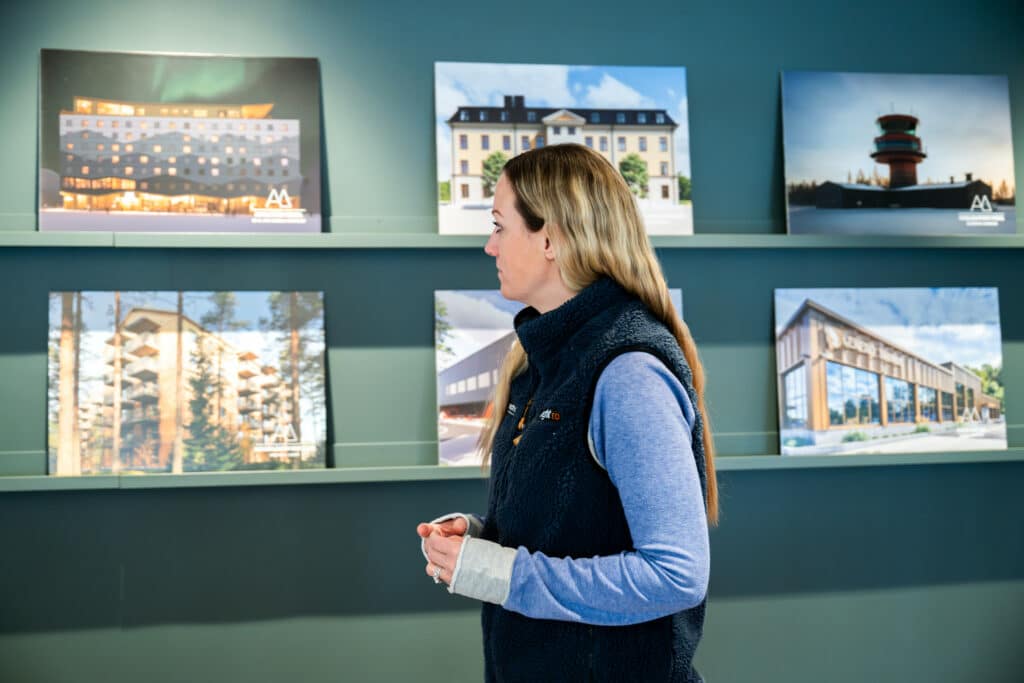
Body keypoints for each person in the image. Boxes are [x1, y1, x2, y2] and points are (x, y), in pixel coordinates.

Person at [417, 143, 718, 682]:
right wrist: (486, 538)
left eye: (499, 226)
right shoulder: (538, 362)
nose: (489, 246)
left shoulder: (628, 372)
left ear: (550, 238)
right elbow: (584, 527)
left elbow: (676, 574)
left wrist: (500, 573)